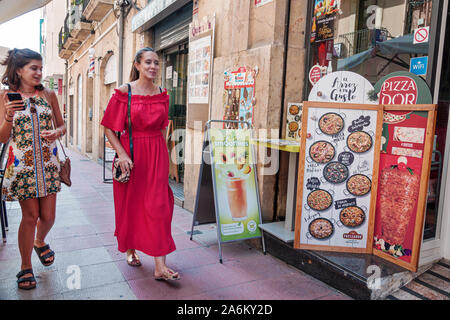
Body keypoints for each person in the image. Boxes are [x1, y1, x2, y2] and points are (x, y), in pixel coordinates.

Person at [101, 47, 179, 281]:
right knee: (131, 205)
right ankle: (131, 248)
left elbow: (164, 126)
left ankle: (159, 266)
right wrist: (122, 155)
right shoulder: (124, 93)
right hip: (131, 157)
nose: (153, 66)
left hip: (156, 154)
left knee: (159, 206)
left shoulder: (163, 93)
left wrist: (165, 155)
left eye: (156, 62)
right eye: (148, 62)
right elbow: (108, 127)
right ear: (137, 65)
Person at [0, 48, 66, 290]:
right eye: (33, 68)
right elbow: (1, 137)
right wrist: (8, 116)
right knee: (30, 216)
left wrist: (56, 132)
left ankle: (39, 241)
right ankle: (25, 266)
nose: (39, 72)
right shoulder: (5, 97)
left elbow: (61, 125)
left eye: (40, 68)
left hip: (49, 164)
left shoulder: (49, 95)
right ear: (19, 70)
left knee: (48, 217)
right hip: (23, 166)